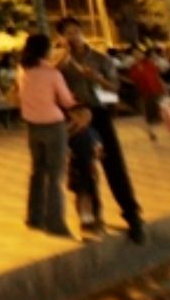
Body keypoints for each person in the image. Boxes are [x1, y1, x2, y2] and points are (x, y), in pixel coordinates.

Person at [56, 17, 146, 244]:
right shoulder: (61, 63)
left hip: (100, 113)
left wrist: (97, 79)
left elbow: (115, 88)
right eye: (67, 32)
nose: (72, 36)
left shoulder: (100, 59)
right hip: (77, 115)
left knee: (113, 163)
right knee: (83, 167)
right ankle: (91, 217)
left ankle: (132, 215)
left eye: (75, 31)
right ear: (61, 36)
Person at [15, 32, 81, 239]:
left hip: (32, 126)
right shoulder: (52, 74)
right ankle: (55, 222)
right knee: (55, 175)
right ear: (45, 50)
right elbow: (67, 100)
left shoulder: (22, 71)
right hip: (53, 125)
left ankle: (34, 216)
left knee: (37, 172)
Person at [127, 49, 168, 142]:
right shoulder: (133, 67)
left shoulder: (150, 63)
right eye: (135, 55)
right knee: (149, 114)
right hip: (145, 92)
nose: (138, 56)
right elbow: (133, 79)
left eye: (139, 54)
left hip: (157, 89)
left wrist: (163, 86)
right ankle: (152, 132)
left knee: (162, 110)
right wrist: (138, 68)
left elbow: (157, 75)